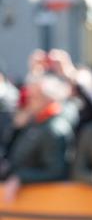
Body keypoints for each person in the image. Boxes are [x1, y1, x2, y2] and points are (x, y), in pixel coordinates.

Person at [1, 74, 74, 204]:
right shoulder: (35, 121)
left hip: (41, 201)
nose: (29, 102)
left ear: (48, 99)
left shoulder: (54, 128)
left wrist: (20, 178)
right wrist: (16, 128)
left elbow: (55, 171)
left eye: (34, 97)